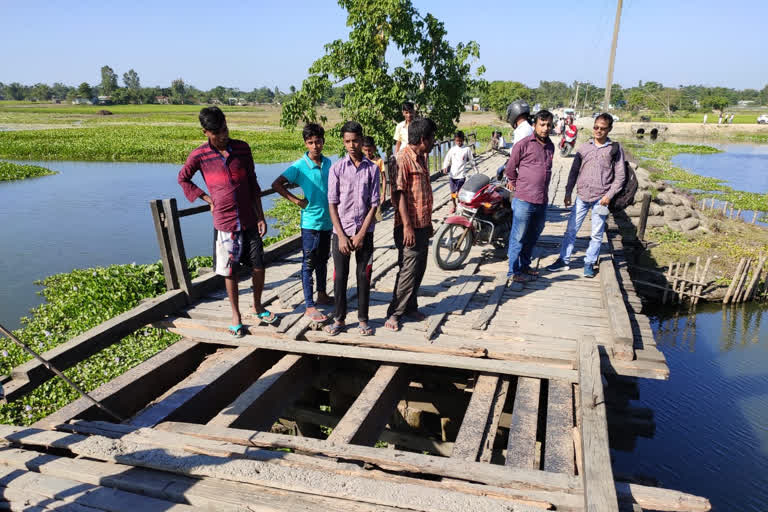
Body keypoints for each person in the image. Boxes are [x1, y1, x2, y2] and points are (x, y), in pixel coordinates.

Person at [178, 106, 277, 338]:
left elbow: (253, 183)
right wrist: (205, 198)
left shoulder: (242, 148)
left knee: (259, 265)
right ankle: (236, 316)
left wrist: (261, 215)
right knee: (230, 271)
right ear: (206, 132)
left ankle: (258, 305)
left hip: (249, 219)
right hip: (225, 222)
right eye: (217, 133)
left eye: (225, 129)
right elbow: (183, 178)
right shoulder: (199, 155)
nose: (223, 135)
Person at [547, 113, 626, 278]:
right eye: (596, 127)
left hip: (602, 199)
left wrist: (609, 196)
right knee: (571, 230)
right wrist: (568, 192)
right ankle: (563, 260)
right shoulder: (584, 148)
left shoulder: (615, 149)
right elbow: (574, 171)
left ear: (609, 129)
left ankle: (589, 262)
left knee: (596, 234)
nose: (598, 131)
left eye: (603, 128)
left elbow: (620, 176)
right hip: (582, 196)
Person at [272, 123, 333, 323]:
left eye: (318, 141)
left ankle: (322, 294)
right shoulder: (299, 166)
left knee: (323, 260)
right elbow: (277, 184)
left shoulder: (329, 163)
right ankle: (309, 305)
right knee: (308, 264)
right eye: (310, 142)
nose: (315, 146)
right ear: (305, 144)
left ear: (323, 141)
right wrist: (297, 201)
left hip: (327, 221)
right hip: (310, 223)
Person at [325, 121, 380, 336]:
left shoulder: (372, 169)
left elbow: (374, 204)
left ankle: (363, 319)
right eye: (347, 141)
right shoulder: (337, 168)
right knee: (340, 277)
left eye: (355, 140)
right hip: (341, 232)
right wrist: (341, 235)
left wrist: (361, 234)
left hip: (364, 232)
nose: (351, 145)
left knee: (364, 275)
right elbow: (332, 203)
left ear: (361, 140)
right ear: (343, 142)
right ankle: (339, 319)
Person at [385, 118, 437, 332]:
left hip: (422, 224)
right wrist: (407, 225)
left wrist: (428, 223)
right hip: (408, 226)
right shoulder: (403, 158)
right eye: (432, 138)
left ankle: (410, 306)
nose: (435, 142)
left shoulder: (421, 158)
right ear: (423, 139)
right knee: (408, 269)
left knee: (419, 267)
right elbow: (399, 195)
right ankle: (395, 313)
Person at [504, 110, 555, 284]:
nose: (545, 128)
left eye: (548, 125)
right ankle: (513, 271)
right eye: (542, 124)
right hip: (524, 200)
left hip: (542, 200)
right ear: (534, 125)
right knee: (518, 236)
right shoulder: (523, 144)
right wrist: (517, 184)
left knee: (533, 236)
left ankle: (525, 265)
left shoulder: (551, 146)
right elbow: (510, 169)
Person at [442, 130, 478, 213]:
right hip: (452, 174)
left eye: (460, 140)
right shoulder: (452, 149)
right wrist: (445, 167)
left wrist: (475, 171)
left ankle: (460, 206)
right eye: (457, 141)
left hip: (461, 175)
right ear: (454, 140)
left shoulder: (467, 149)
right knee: (452, 192)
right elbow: (447, 159)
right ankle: (454, 205)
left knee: (459, 193)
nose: (458, 142)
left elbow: (471, 160)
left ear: (463, 140)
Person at [362, 136, 386, 207]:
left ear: (374, 148)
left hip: (376, 195)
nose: (368, 152)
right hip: (363, 195)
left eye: (369, 150)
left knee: (377, 216)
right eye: (365, 150)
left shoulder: (379, 161)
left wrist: (383, 194)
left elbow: (384, 178)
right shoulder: (362, 162)